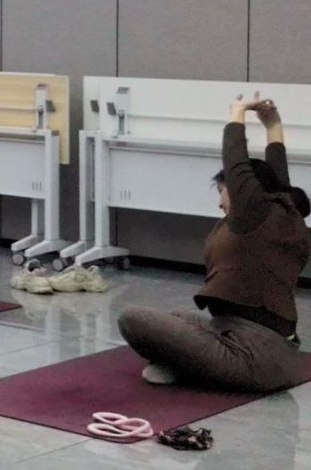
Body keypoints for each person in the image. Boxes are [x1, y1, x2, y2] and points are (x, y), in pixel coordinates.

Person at [117, 98, 308, 392]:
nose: (220, 202)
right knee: (177, 319)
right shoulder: (283, 212)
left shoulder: (253, 214)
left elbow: (236, 164)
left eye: (222, 191)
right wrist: (273, 125)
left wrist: (237, 114)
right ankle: (186, 364)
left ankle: (183, 365)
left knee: (132, 319)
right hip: (255, 345)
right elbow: (278, 178)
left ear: (242, 191)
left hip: (251, 356)